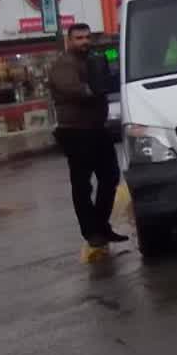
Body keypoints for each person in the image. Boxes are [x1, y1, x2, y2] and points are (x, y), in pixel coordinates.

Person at [48, 23, 125, 248]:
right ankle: (91, 232)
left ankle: (101, 225)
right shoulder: (64, 64)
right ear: (69, 40)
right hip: (75, 131)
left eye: (87, 37)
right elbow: (73, 89)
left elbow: (104, 82)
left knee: (110, 176)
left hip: (96, 128)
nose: (84, 42)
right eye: (79, 38)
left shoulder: (92, 60)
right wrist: (95, 89)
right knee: (82, 184)